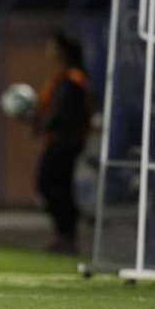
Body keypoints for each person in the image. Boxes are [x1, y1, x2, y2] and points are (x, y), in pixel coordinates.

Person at [34, 31, 92, 254]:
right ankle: (65, 234)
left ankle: (66, 233)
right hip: (64, 140)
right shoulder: (66, 77)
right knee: (58, 186)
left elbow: (64, 113)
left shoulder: (72, 80)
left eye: (52, 47)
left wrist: (44, 124)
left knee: (49, 184)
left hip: (65, 142)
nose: (48, 51)